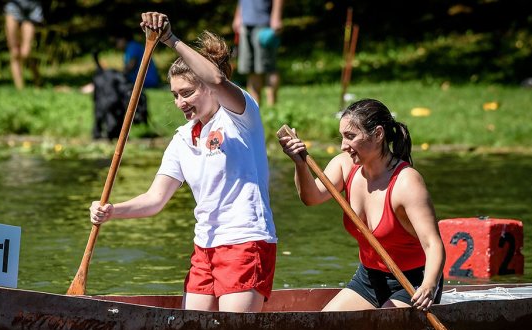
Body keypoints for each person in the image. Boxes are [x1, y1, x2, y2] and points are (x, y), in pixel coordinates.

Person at [90, 12, 278, 313]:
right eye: (175, 95)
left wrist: (170, 40)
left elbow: (217, 79)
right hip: (204, 247)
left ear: (207, 88)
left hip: (246, 241)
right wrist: (113, 211)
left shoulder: (241, 116)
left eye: (187, 92)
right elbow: (154, 200)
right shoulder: (182, 138)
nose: (180, 103)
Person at [278, 99, 445, 312]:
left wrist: (429, 286)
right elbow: (310, 198)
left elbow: (433, 244)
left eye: (351, 136)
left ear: (377, 134)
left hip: (413, 281)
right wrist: (299, 164)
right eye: (342, 137)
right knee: (325, 326)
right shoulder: (344, 165)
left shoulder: (407, 182)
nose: (343, 146)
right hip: (369, 278)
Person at [232, 0, 283, 106]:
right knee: (251, 69)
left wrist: (276, 17)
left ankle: (272, 106)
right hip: (245, 25)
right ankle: (255, 106)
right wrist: (238, 16)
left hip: (265, 25)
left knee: (269, 68)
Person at [4, 0, 43, 89]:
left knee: (26, 52)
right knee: (15, 52)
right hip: (13, 6)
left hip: (32, 7)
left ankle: (37, 79)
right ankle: (20, 89)